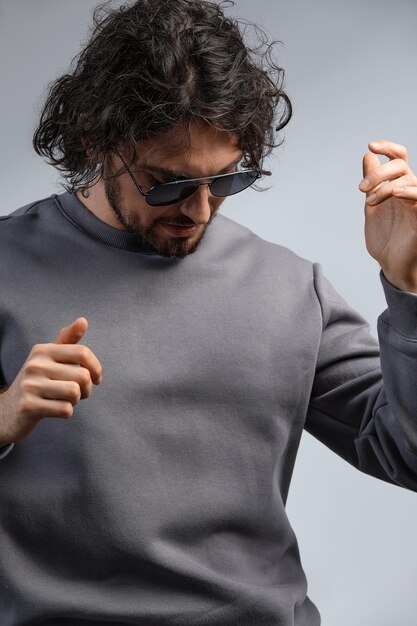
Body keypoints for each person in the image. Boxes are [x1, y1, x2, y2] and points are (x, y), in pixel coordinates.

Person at [1, 0, 417, 624]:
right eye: (167, 183)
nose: (198, 210)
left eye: (225, 181)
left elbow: (405, 454)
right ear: (95, 139)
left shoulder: (287, 286)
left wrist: (406, 286)